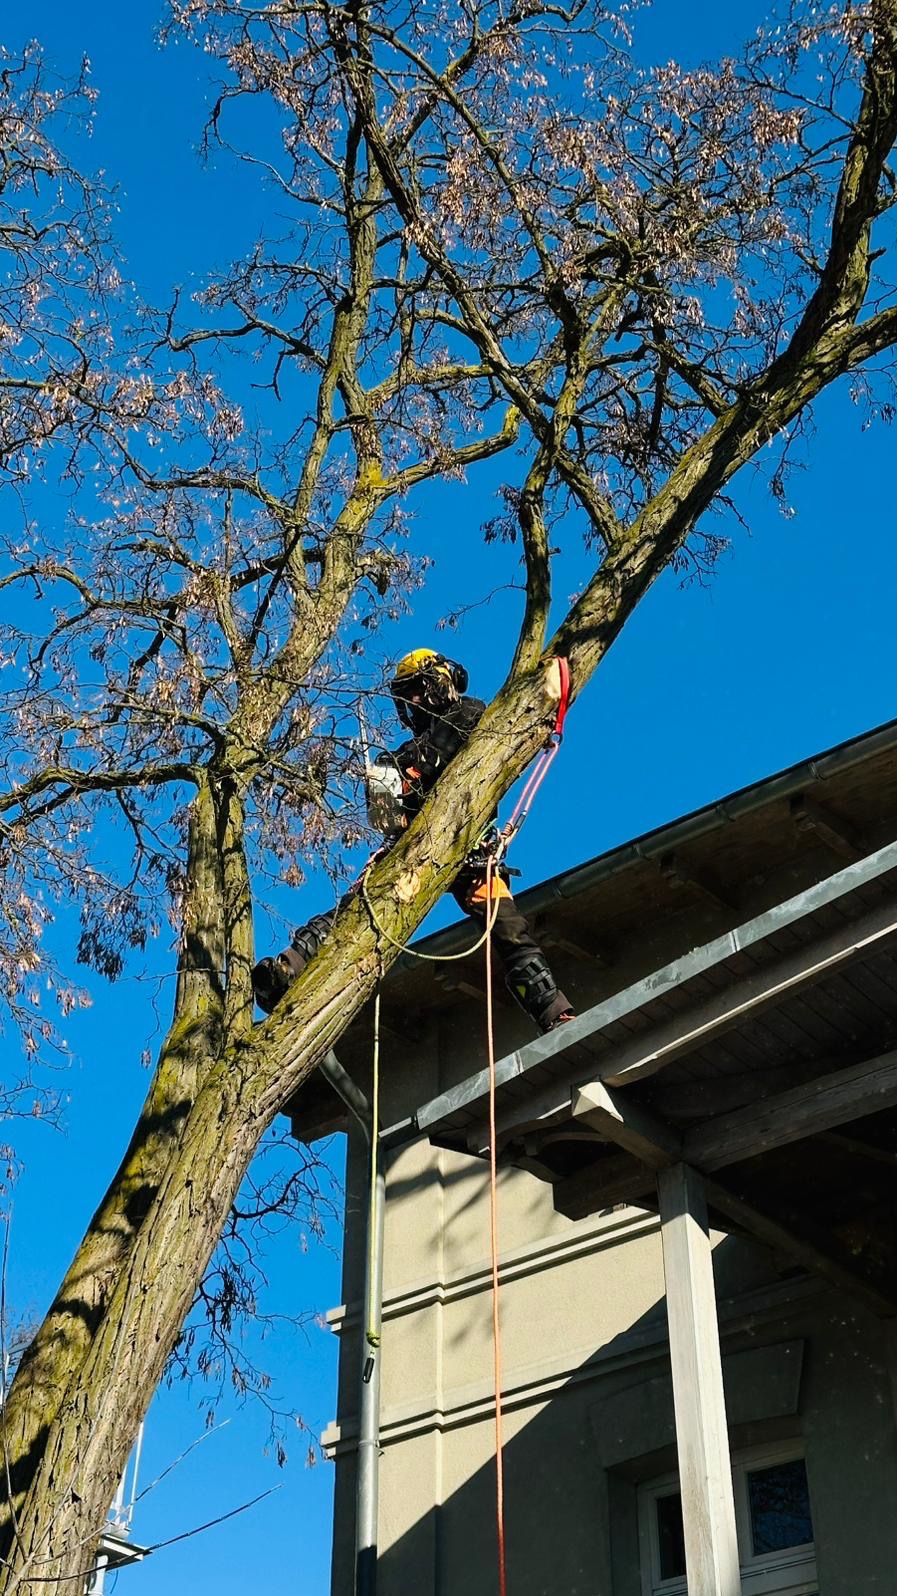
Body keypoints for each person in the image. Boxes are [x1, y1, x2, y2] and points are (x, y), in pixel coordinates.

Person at [252, 649, 574, 1032]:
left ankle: (552, 1011)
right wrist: (389, 786)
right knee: (359, 908)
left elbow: (437, 755)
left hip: (470, 850)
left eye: (417, 689)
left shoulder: (471, 715)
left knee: (509, 929)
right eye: (407, 696)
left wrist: (408, 776)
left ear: (439, 681)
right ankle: (287, 971)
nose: (414, 701)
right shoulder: (399, 755)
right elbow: (387, 812)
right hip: (415, 851)